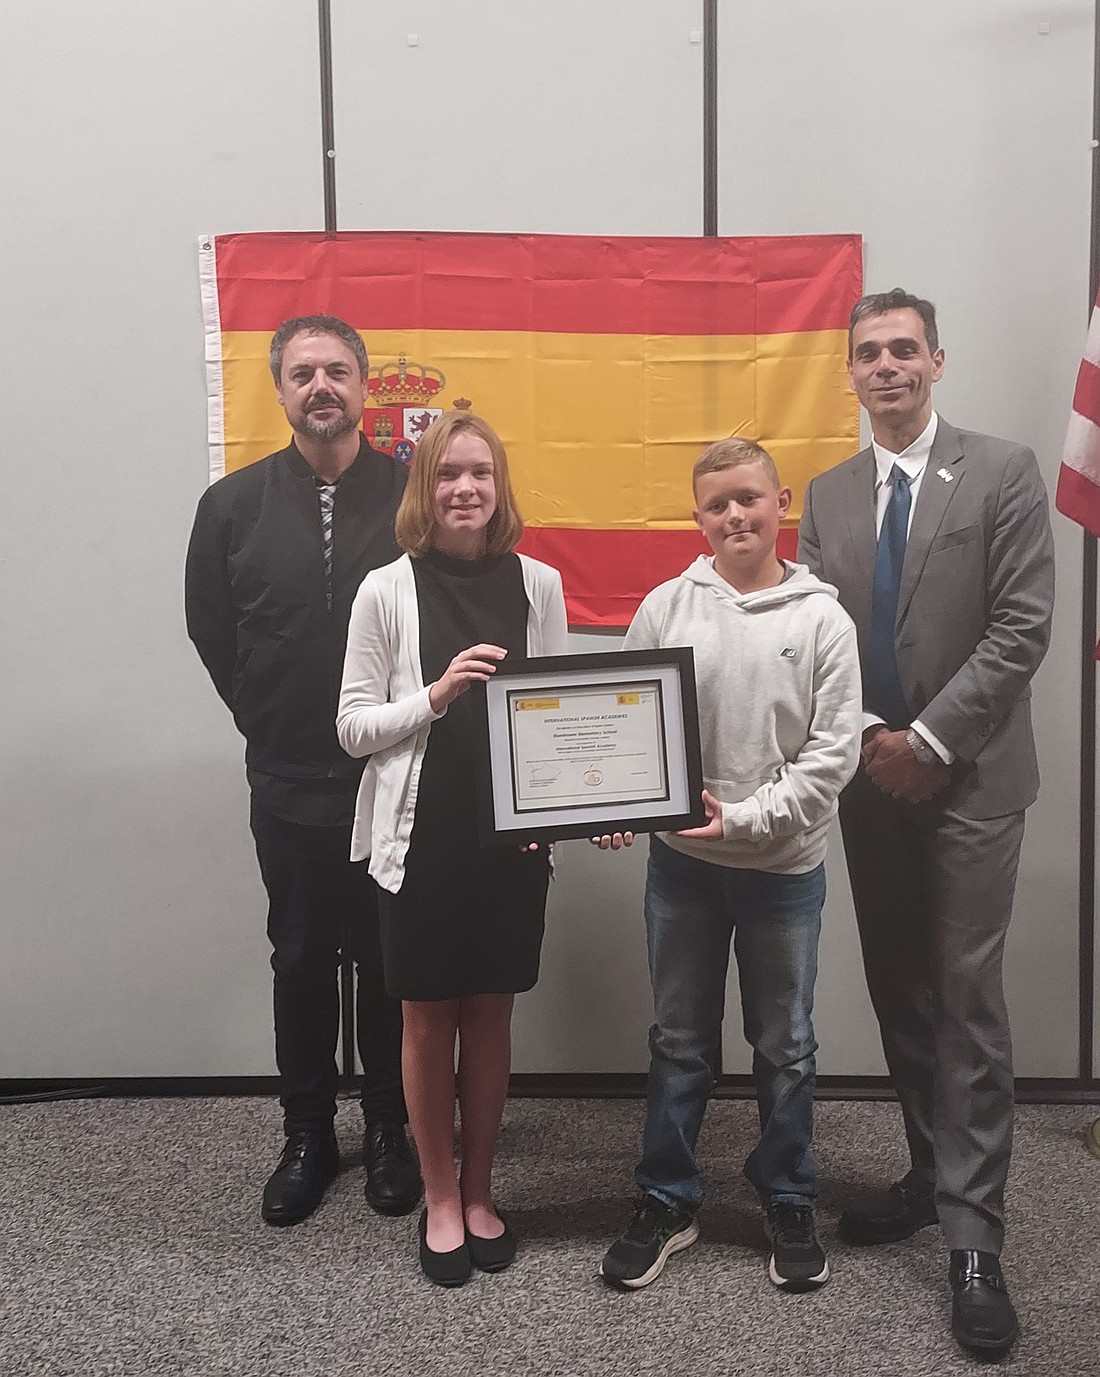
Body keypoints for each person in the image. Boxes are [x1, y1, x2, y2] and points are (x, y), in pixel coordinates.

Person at [798, 289, 1055, 1359]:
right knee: (898, 988)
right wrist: (865, 739)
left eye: (904, 349)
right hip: (870, 782)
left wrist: (928, 743)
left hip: (968, 784)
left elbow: (1020, 625)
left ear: (936, 362)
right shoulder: (825, 495)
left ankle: (973, 1241)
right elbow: (814, 635)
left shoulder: (1000, 471)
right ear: (849, 375)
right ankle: (925, 1170)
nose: (886, 367)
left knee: (964, 1001)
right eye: (868, 354)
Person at [599, 437, 861, 1294]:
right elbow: (622, 721)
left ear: (780, 500)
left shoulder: (823, 617)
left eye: (748, 498)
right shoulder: (668, 606)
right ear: (698, 516)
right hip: (682, 868)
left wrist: (744, 817)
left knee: (784, 1043)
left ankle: (787, 1193)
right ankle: (668, 1198)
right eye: (716, 504)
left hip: (784, 867)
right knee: (679, 1040)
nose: (734, 516)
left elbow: (831, 761)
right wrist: (617, 804)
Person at [185, 314, 421, 1227]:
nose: (320, 386)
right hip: (286, 775)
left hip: (394, 774)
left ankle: (393, 1129)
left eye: (336, 371)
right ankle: (309, 1134)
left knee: (388, 958)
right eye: (301, 373)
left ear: (365, 385)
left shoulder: (413, 494)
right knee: (299, 957)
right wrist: (260, 713)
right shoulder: (232, 506)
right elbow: (214, 628)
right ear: (279, 390)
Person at [336, 410, 568, 1287]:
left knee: (493, 1015)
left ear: (500, 485)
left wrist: (588, 805)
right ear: (422, 489)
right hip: (420, 840)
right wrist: (433, 696)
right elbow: (354, 726)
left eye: (480, 472)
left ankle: (479, 1190)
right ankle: (438, 1197)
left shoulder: (539, 583)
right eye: (446, 474)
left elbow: (565, 716)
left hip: (510, 844)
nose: (465, 488)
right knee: (428, 1019)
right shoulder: (383, 589)